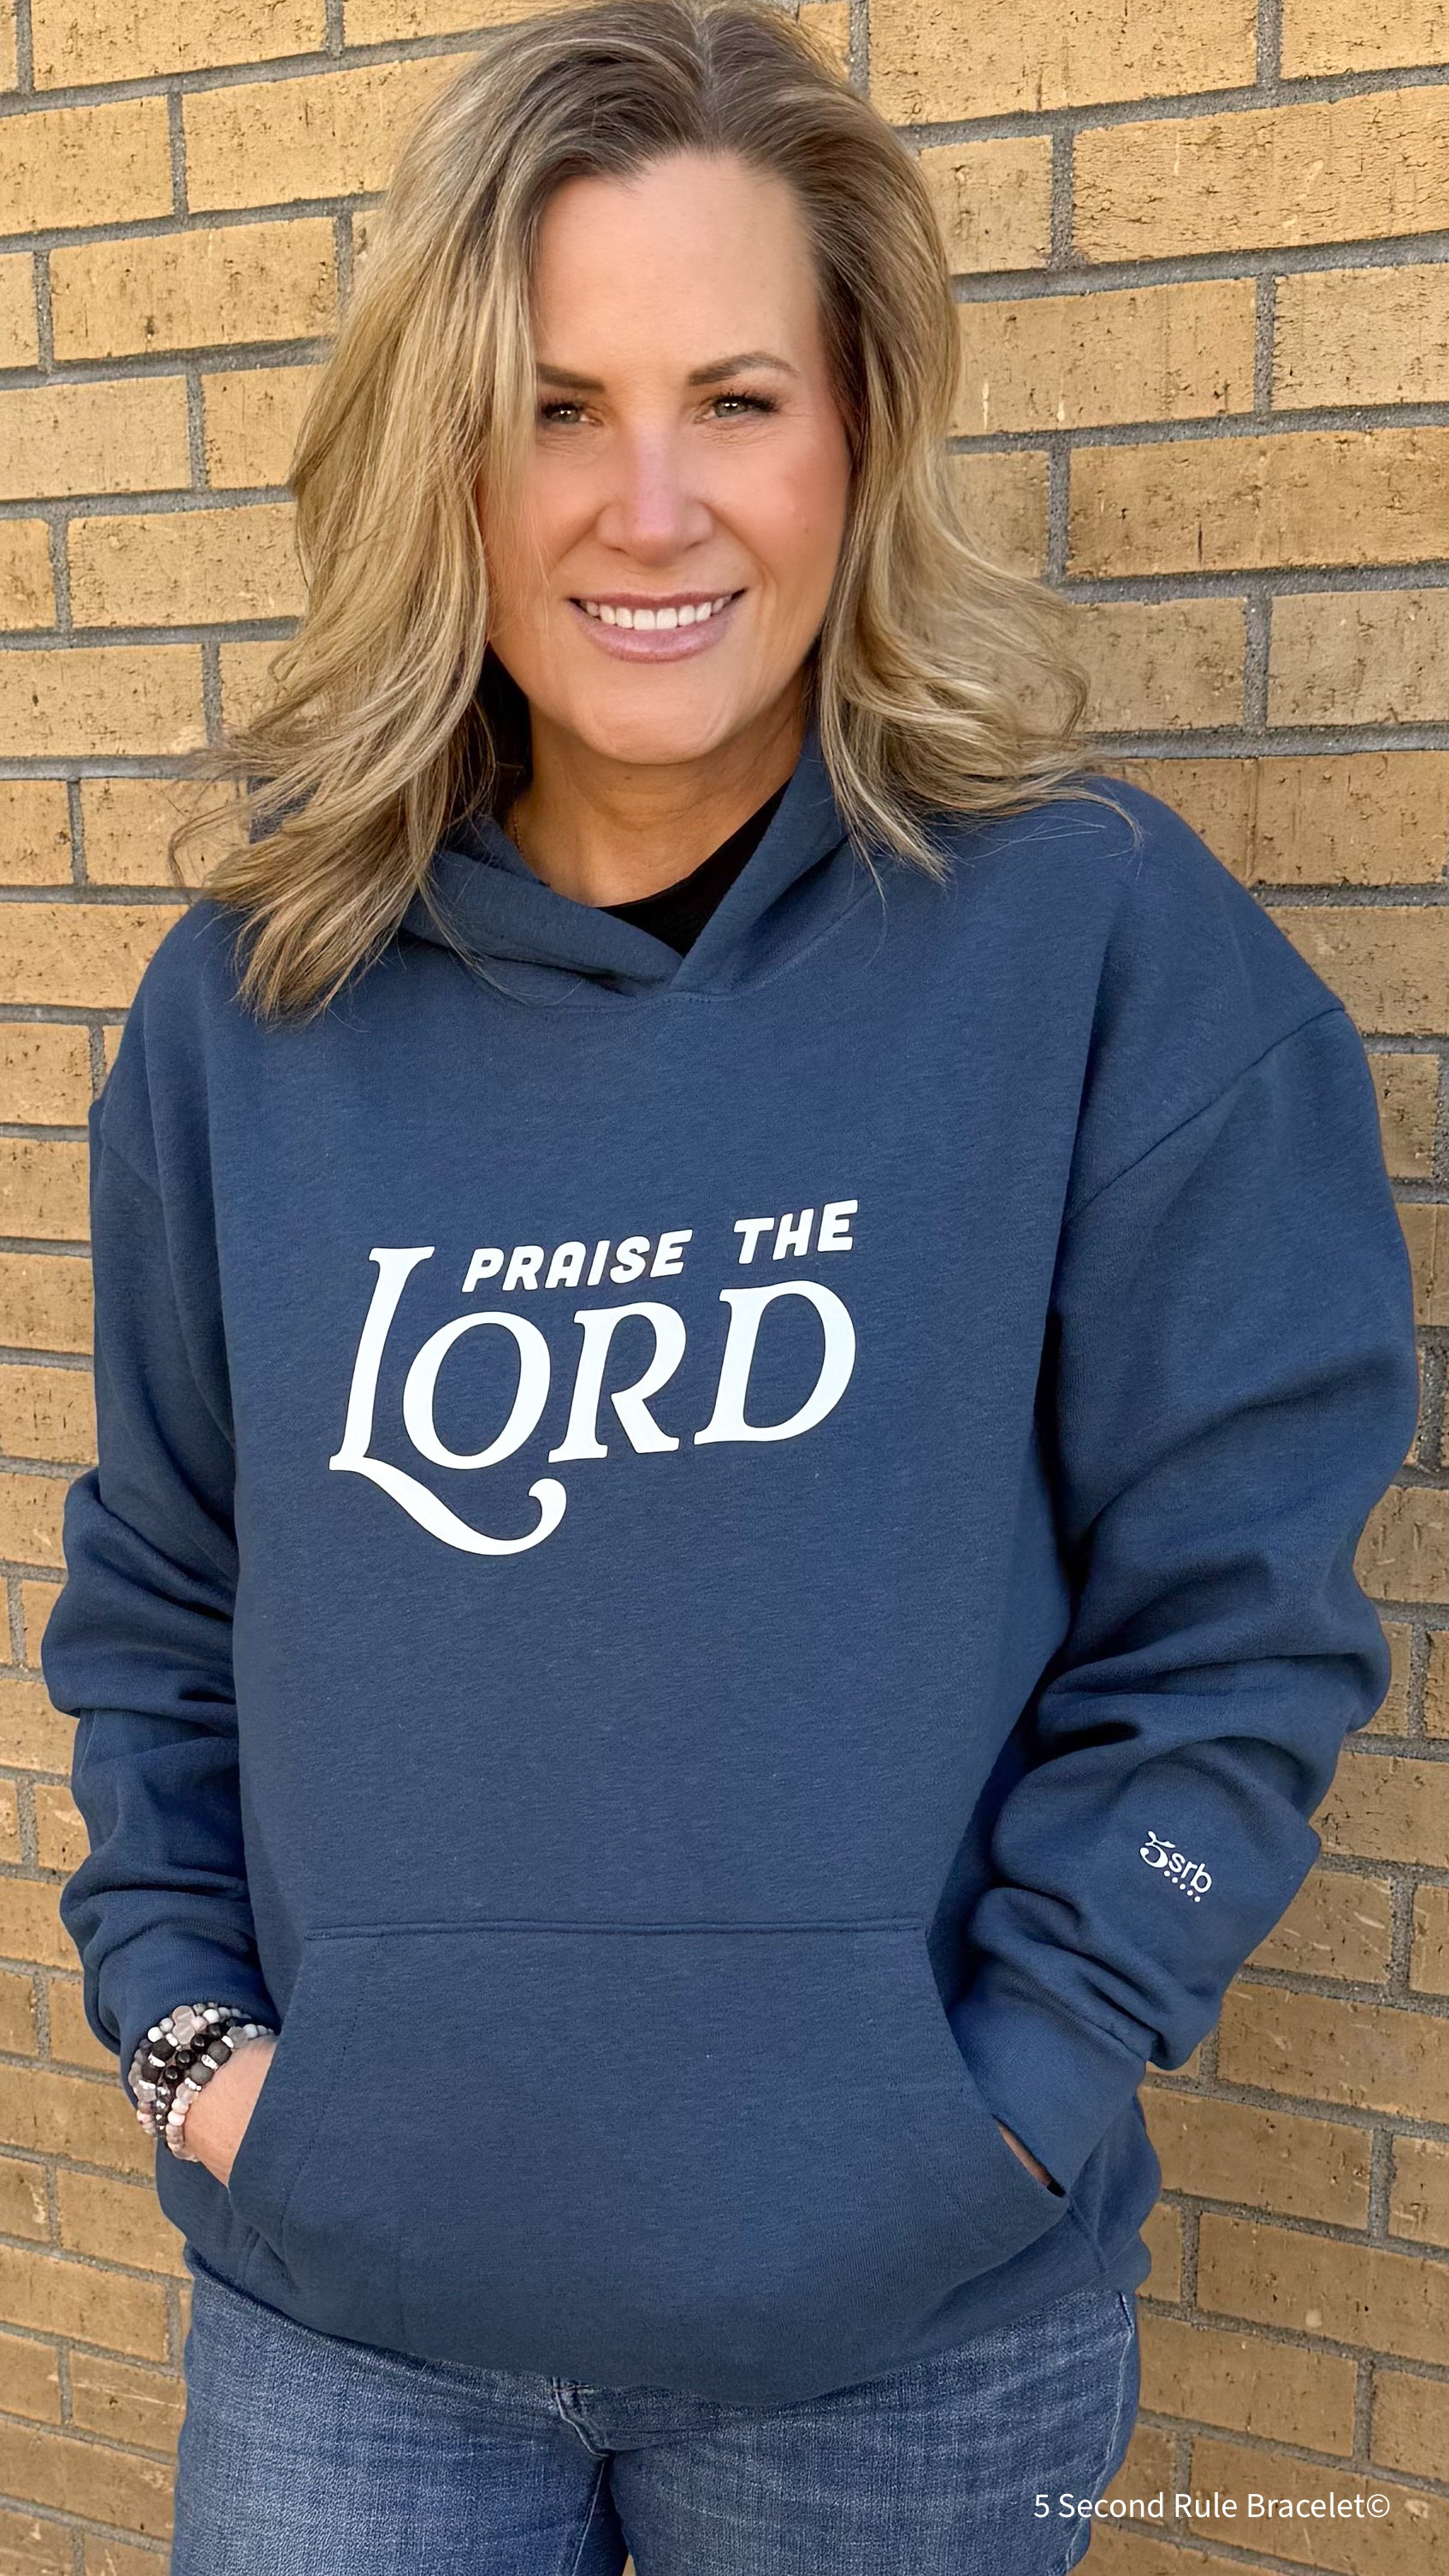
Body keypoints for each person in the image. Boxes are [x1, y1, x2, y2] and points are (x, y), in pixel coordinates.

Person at [40, 4, 1418, 2569]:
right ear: (437, 452)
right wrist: (199, 2039)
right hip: (347, 2331)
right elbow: (162, 1581)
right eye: (551, 404)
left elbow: (1233, 1622)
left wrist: (1006, 2088)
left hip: (909, 2342)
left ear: (865, 431)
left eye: (736, 396)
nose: (647, 505)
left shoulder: (1097, 952)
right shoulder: (251, 1014)